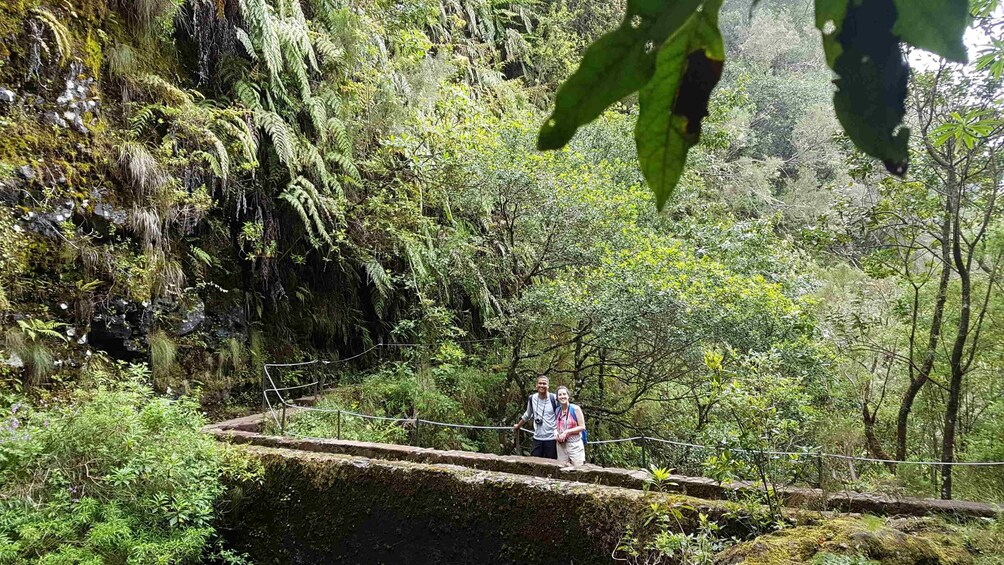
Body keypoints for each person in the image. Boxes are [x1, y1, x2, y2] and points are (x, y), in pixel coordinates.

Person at [512, 376, 558, 459]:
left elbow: (562, 414)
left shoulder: (554, 398)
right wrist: (518, 426)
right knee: (534, 462)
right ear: (536, 385)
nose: (542, 385)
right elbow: (527, 414)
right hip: (537, 437)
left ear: (548, 386)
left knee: (551, 464)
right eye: (540, 383)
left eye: (544, 384)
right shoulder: (532, 398)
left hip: (552, 438)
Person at [554, 386, 586, 466]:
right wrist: (556, 433)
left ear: (568, 396)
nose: (562, 396)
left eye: (564, 394)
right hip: (561, 445)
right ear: (557, 397)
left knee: (577, 469)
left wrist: (567, 431)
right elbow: (556, 426)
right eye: (560, 395)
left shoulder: (575, 409)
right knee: (562, 469)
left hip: (574, 445)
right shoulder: (557, 410)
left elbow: (582, 427)